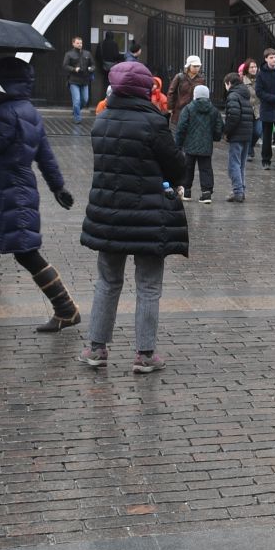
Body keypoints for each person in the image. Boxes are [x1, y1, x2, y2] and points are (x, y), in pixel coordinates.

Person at [80, 61, 186, 374]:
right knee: (149, 286)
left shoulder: (101, 121)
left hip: (109, 214)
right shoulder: (153, 123)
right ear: (145, 90)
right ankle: (145, 354)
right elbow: (177, 166)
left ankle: (96, 348)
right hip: (149, 217)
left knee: (107, 282)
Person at [0, 57, 80, 334]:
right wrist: (58, 187)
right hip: (12, 191)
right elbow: (45, 154)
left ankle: (65, 309)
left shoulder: (6, 114)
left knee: (26, 253)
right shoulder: (28, 110)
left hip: (9, 193)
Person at [174, 83, 223, 203]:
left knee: (188, 168)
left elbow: (181, 127)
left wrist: (178, 144)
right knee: (206, 169)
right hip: (206, 146)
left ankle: (187, 192)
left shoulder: (188, 108)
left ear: (195, 95)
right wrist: (215, 137)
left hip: (190, 145)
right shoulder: (214, 110)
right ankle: (206, 194)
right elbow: (219, 128)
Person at [221, 72, 254, 202]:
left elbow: (234, 116)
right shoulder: (245, 94)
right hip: (247, 134)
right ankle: (241, 190)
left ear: (229, 83)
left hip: (237, 134)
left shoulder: (233, 95)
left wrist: (226, 131)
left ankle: (238, 192)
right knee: (241, 164)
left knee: (234, 164)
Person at [63, 36, 96, 124]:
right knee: (77, 100)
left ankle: (75, 110)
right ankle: (77, 118)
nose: (79, 45)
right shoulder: (69, 54)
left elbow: (93, 65)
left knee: (85, 100)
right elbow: (65, 66)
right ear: (73, 43)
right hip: (73, 81)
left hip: (85, 81)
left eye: (80, 43)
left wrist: (91, 68)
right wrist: (74, 69)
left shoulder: (87, 53)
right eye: (77, 43)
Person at [167, 55, 205, 122]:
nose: (197, 68)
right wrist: (170, 107)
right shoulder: (180, 77)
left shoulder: (201, 79)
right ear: (189, 66)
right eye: (194, 66)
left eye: (198, 66)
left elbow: (203, 95)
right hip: (180, 109)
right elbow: (171, 92)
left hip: (195, 110)